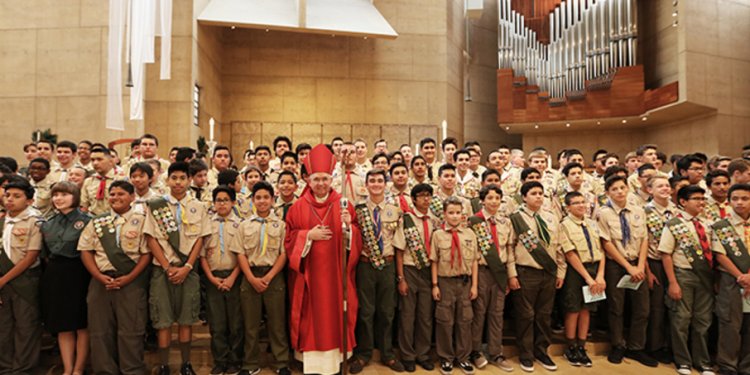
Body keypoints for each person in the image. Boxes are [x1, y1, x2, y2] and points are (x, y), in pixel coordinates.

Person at [284, 144, 362, 375]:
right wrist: (307, 235)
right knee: (312, 319)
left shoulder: (343, 204)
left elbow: (356, 239)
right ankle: (312, 363)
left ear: (331, 180)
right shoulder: (297, 207)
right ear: (308, 180)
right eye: (316, 179)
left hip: (336, 275)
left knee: (336, 315)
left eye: (325, 179)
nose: (320, 184)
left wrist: (349, 228)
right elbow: (289, 240)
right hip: (309, 277)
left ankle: (337, 361)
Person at [144, 161, 211, 375]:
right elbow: (151, 238)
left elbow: (200, 239)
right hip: (162, 270)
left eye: (183, 178)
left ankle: (185, 364)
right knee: (162, 320)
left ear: (189, 181)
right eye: (174, 178)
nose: (178, 182)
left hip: (188, 271)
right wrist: (166, 267)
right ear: (167, 180)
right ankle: (164, 364)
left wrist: (188, 266)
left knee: (186, 318)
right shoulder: (156, 205)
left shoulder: (198, 207)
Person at [78, 180, 151, 375]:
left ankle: (132, 370)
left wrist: (129, 278)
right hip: (100, 281)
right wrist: (99, 276)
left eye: (121, 194)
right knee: (100, 330)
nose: (116, 198)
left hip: (131, 281)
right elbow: (86, 251)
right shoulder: (97, 221)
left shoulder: (142, 220)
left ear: (132, 197)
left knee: (131, 329)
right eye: (112, 194)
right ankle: (105, 370)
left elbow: (146, 254)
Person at [598, 175, 658, 367]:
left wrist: (640, 266)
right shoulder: (603, 213)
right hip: (617, 265)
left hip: (637, 263)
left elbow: (644, 239)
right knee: (617, 307)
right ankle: (618, 344)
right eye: (614, 189)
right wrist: (628, 267)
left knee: (642, 308)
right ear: (607, 193)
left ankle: (636, 347)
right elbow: (606, 243)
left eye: (622, 188)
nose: (619, 192)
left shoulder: (638, 211)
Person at [349, 169, 404, 373]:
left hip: (388, 265)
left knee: (387, 312)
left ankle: (387, 354)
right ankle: (364, 354)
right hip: (365, 265)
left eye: (380, 180)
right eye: (372, 180)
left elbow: (398, 243)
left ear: (386, 184)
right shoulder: (358, 209)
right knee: (366, 311)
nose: (376, 184)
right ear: (366, 184)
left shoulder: (394, 209)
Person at [507, 181, 565, 372]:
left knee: (544, 315)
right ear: (524, 197)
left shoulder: (551, 217)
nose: (539, 196)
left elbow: (558, 247)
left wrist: (560, 271)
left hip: (548, 272)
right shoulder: (515, 218)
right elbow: (510, 247)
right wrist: (512, 274)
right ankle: (526, 354)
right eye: (534, 193)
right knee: (526, 315)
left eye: (541, 193)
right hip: (525, 271)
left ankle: (541, 351)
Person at [659, 185, 715, 375]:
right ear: (683, 202)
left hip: (706, 276)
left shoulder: (708, 223)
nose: (701, 202)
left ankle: (703, 361)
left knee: (703, 320)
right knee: (681, 318)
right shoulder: (675, 224)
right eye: (696, 198)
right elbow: (666, 254)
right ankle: (682, 360)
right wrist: (673, 282)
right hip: (683, 273)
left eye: (702, 198)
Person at [40, 182, 92, 375]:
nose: (58, 198)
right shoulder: (48, 222)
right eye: (55, 195)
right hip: (54, 274)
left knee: (81, 323)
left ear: (75, 196)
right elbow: (45, 253)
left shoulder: (87, 220)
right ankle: (67, 368)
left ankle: (78, 369)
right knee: (62, 324)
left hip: (79, 273)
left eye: (64, 194)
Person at [430, 196, 479, 375]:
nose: (455, 216)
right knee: (445, 321)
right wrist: (435, 285)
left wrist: (475, 285)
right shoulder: (438, 235)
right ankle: (446, 358)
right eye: (451, 213)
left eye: (458, 213)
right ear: (444, 214)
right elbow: (434, 261)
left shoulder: (470, 234)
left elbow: (474, 261)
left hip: (465, 282)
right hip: (445, 282)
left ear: (463, 214)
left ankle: (463, 357)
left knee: (465, 321)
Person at [467, 185, 514, 372]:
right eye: (490, 198)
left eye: (497, 198)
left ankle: (496, 352)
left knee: (497, 313)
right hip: (482, 271)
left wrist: (511, 275)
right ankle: (475, 351)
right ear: (482, 201)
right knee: (479, 313)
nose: (494, 201)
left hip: (500, 272)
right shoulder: (474, 222)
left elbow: (509, 250)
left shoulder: (505, 222)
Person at [0, 179, 44, 375]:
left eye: (17, 197)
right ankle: (6, 367)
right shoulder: (1, 220)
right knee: (4, 327)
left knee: (25, 326)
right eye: (7, 195)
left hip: (25, 279)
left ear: (29, 200)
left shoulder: (34, 221)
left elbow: (31, 256)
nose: (10, 200)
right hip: (2, 281)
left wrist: (3, 280)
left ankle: (22, 369)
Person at [393, 183, 437, 372]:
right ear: (413, 199)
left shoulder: (434, 220)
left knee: (425, 316)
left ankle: (423, 354)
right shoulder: (407, 219)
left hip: (428, 271)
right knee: (408, 316)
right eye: (421, 196)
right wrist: (401, 278)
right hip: (410, 270)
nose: (425, 199)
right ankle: (408, 355)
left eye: (428, 195)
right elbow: (399, 251)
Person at [559, 191, 605, 368]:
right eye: (576, 203)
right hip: (576, 271)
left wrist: (599, 275)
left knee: (587, 309)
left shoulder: (592, 224)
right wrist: (587, 278)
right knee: (574, 308)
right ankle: (571, 347)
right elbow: (570, 253)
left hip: (594, 270)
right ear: (568, 207)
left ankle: (582, 346)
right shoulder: (564, 225)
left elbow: (601, 251)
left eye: (583, 202)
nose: (581, 205)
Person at [201, 186, 243, 375]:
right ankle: (220, 360)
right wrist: (211, 277)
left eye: (226, 200)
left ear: (233, 202)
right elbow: (201, 254)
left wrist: (233, 277)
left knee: (235, 323)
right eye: (218, 200)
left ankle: (235, 360)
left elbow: (244, 255)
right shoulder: (207, 224)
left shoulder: (241, 224)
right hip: (213, 277)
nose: (222, 203)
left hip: (235, 276)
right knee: (217, 324)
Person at [711, 183, 750, 375]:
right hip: (731, 280)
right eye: (735, 199)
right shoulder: (721, 226)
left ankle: (746, 366)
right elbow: (720, 255)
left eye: (745, 198)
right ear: (729, 201)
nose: (740, 203)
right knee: (730, 324)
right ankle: (727, 365)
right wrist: (741, 276)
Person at [643, 175, 678, 364]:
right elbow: (643, 242)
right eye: (659, 186)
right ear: (650, 190)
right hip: (654, 262)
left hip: (675, 262)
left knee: (674, 306)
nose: (665, 188)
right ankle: (654, 346)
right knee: (656, 308)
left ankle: (671, 345)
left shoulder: (677, 212)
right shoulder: (645, 212)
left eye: (667, 185)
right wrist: (648, 271)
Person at [81, 147, 122, 216]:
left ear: (111, 161)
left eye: (99, 159)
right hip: (93, 219)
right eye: (92, 160)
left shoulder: (121, 180)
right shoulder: (88, 181)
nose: (95, 163)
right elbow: (84, 206)